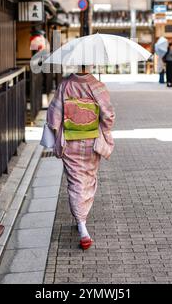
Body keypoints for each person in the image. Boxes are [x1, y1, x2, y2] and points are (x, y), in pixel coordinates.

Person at [46, 66, 115, 250]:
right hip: (91, 141)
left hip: (71, 141)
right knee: (88, 179)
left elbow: (54, 115)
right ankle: (82, 224)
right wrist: (102, 127)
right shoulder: (97, 85)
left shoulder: (65, 85)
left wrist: (57, 129)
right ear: (91, 65)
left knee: (75, 180)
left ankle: (80, 220)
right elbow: (108, 115)